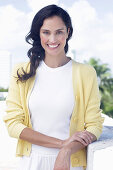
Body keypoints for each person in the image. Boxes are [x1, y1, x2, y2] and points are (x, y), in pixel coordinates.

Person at [3, 4, 104, 170]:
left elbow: (94, 125)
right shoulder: (22, 72)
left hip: (70, 162)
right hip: (31, 162)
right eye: (46, 32)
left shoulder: (86, 73)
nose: (53, 39)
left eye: (59, 32)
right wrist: (62, 144)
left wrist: (66, 151)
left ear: (68, 32)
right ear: (39, 34)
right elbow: (13, 124)